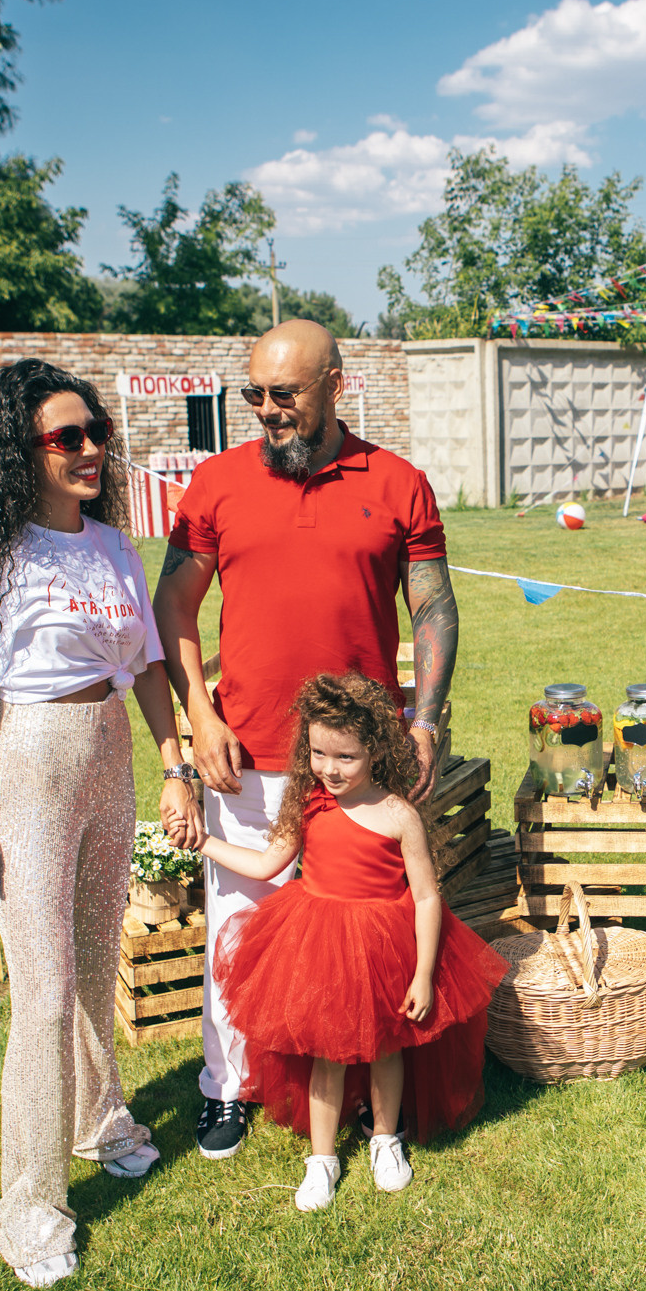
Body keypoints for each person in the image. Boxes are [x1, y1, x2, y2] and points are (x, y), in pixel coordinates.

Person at [0, 358, 200, 1289]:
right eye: (64, 438)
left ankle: (99, 1118)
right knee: (39, 994)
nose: (88, 450)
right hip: (29, 758)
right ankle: (28, 1204)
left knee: (95, 953)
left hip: (108, 749)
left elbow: (149, 663)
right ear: (18, 454)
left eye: (94, 433)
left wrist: (174, 763)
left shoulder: (112, 545)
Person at [153, 319, 459, 1161]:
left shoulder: (398, 482)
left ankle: (365, 1087)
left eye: (283, 393)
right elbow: (172, 603)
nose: (265, 410)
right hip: (245, 747)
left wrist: (425, 718)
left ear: (335, 384)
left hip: (362, 763)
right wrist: (200, 715)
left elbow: (431, 606)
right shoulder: (215, 482)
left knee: (364, 931)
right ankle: (229, 1085)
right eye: (251, 393)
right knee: (239, 921)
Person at [199, 673, 507, 1210]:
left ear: (375, 749)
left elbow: (428, 898)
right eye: (318, 753)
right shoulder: (311, 804)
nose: (329, 769)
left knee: (388, 1050)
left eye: (345, 757)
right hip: (320, 944)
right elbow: (270, 862)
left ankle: (385, 1140)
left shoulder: (398, 815)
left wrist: (423, 973)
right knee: (327, 1055)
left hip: (383, 950)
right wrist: (205, 842)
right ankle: (321, 1161)